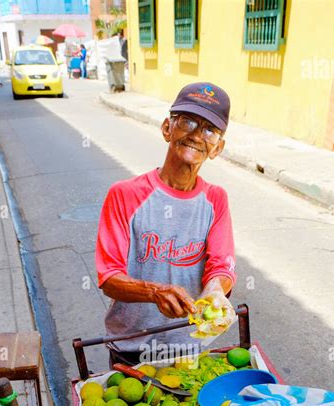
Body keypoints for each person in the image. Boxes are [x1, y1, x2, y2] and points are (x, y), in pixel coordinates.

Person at [95, 82, 236, 367]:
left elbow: (221, 266)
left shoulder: (216, 199)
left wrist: (215, 290)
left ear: (217, 148)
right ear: (167, 129)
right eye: (188, 121)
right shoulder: (125, 194)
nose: (196, 135)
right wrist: (154, 292)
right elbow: (109, 278)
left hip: (190, 349)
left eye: (209, 129)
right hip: (132, 348)